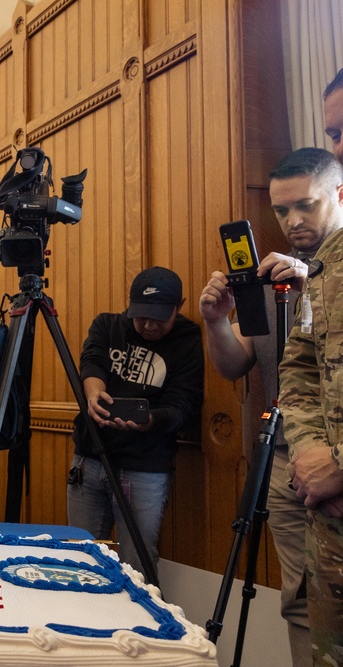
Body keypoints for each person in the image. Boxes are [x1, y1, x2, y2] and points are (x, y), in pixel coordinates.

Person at [200, 147, 342, 666]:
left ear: (338, 194)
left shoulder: (327, 278)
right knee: (301, 604)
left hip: (338, 459)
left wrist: (314, 291)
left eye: (305, 205)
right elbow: (237, 363)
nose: (293, 221)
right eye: (282, 210)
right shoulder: (270, 279)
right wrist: (215, 320)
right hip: (284, 465)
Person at [67, 267, 203, 573]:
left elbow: (184, 406)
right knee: (81, 559)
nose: (149, 324)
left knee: (137, 564)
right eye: (141, 315)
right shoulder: (107, 325)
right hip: (89, 460)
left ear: (178, 306)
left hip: (145, 467)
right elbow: (92, 362)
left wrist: (150, 420)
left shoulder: (187, 339)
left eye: (158, 316)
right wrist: (94, 394)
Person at [279, 71, 343, 665]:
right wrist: (308, 452)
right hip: (329, 518)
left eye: (307, 203)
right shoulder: (320, 272)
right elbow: (297, 373)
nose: (293, 219)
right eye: (335, 133)